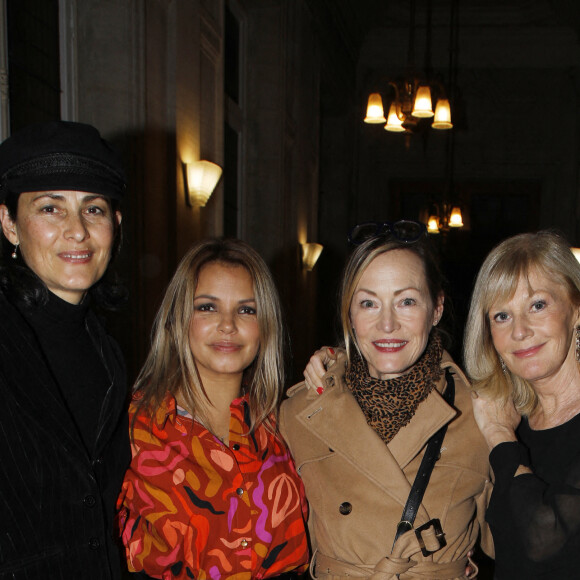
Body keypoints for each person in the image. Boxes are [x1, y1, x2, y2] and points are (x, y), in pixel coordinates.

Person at [281, 221, 493, 579]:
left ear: (436, 308)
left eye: (406, 301)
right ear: (350, 315)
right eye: (368, 303)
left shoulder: (482, 412)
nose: (387, 324)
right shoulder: (300, 412)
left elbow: (520, 542)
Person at [117, 238, 309, 580]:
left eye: (247, 310)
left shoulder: (289, 426)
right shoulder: (129, 429)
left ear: (265, 326)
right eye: (207, 307)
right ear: (178, 318)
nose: (228, 324)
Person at [0, 121, 130, 579]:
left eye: (93, 209)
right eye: (51, 208)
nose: (77, 231)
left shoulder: (110, 353)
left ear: (114, 225)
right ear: (9, 224)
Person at [464, 230, 580, 579]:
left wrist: (500, 436)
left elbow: (544, 537)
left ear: (576, 310)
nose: (519, 331)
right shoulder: (511, 416)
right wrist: (339, 365)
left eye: (538, 305)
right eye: (501, 316)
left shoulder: (501, 430)